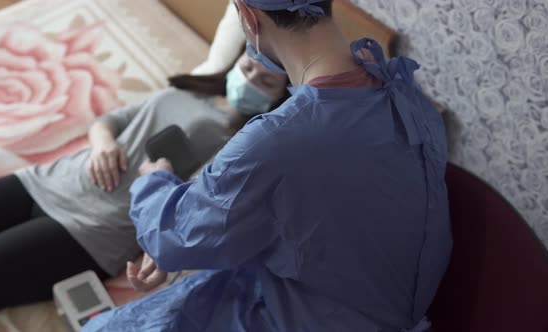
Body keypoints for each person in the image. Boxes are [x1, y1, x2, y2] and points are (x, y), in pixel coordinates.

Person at [82, 0, 453, 331]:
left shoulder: (277, 140)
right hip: (378, 304)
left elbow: (172, 237)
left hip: (303, 315)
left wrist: (156, 179)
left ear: (247, 17)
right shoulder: (404, 94)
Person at [0, 51, 289, 317]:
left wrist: (159, 180)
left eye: (265, 82)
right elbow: (109, 122)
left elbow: (187, 216)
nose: (249, 80)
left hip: (86, 231)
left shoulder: (241, 149)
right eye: (246, 68)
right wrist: (103, 143)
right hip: (44, 181)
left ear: (279, 99)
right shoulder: (184, 91)